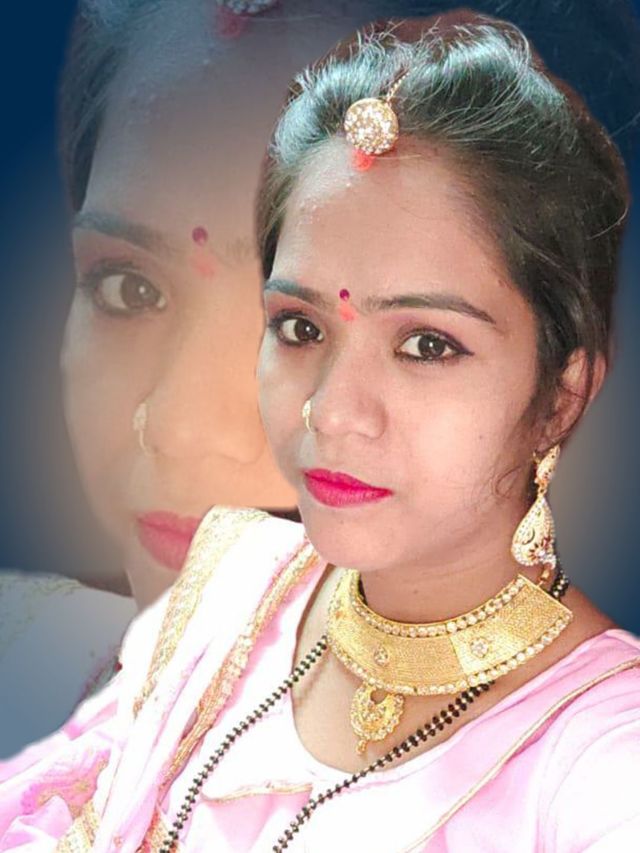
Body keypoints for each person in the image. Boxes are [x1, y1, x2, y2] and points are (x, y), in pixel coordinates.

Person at [2, 13, 639, 850]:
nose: (332, 411)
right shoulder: (228, 591)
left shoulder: (599, 759)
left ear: (561, 395)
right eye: (301, 328)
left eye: (427, 345)